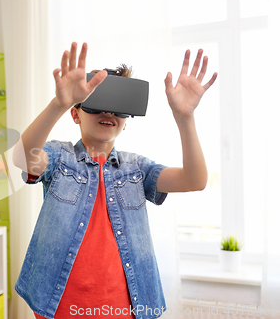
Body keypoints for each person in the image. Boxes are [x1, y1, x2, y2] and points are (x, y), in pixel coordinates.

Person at [11, 42, 217, 319]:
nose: (108, 113)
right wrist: (58, 103)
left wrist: (185, 118)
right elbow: (23, 159)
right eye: (96, 104)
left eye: (119, 108)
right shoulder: (60, 158)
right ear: (76, 113)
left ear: (126, 120)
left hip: (125, 305)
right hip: (59, 304)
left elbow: (194, 180)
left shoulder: (137, 169)